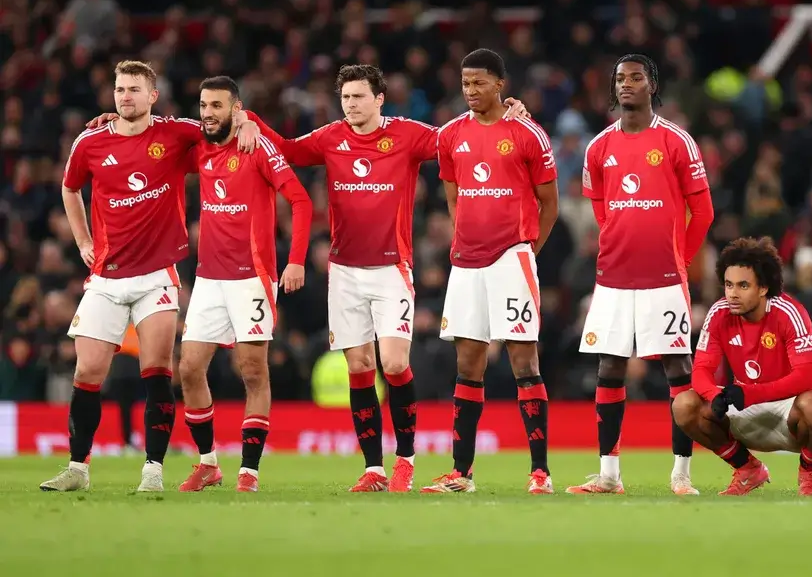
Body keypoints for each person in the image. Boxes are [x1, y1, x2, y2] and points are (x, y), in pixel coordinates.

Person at [253, 64, 527, 492]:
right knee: (359, 367)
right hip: (344, 270)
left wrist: (504, 115)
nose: (350, 105)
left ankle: (405, 460)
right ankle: (373, 469)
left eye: (359, 97)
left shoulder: (408, 135)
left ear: (379, 99)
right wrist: (249, 119)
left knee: (395, 363)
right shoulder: (330, 137)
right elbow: (287, 149)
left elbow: (458, 137)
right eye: (345, 98)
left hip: (391, 269)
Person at [40, 60, 258, 492]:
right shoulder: (90, 142)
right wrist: (83, 240)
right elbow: (70, 187)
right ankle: (78, 469)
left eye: (134, 89)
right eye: (120, 89)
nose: (126, 97)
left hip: (156, 275)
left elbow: (217, 126)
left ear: (152, 96)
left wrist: (246, 119)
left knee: (157, 369)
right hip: (106, 276)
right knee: (88, 371)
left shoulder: (174, 133)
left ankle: (153, 470)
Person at [566, 54, 714, 495]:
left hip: (664, 277)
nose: (626, 84)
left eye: (635, 77)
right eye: (619, 78)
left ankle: (681, 474)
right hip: (613, 277)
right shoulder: (598, 147)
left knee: (676, 365)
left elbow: (703, 212)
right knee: (610, 366)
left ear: (652, 84)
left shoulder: (676, 141)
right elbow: (601, 210)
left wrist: (680, 258)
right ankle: (609, 475)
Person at [422, 48, 559, 494]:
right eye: (465, 83)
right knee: (467, 363)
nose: (471, 90)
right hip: (466, 264)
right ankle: (461, 473)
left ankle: (540, 472)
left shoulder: (527, 133)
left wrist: (527, 251)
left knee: (523, 360)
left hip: (511, 259)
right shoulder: (450, 135)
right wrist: (465, 238)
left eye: (479, 82)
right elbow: (453, 197)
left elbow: (550, 204)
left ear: (500, 84)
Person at [175, 76, 313, 493]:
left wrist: (296, 261)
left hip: (252, 277)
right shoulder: (199, 146)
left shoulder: (257, 147)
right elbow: (155, 132)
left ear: (235, 109)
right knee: (189, 368)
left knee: (252, 371)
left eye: (217, 106)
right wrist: (113, 119)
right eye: (203, 106)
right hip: (208, 278)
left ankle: (249, 471)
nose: (207, 114)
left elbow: (301, 201)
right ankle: (208, 464)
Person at [672, 237, 812, 496]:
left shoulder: (789, 312)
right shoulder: (719, 312)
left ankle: (809, 473)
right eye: (728, 285)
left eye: (743, 285)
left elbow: (805, 378)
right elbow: (701, 370)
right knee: (684, 405)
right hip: (745, 405)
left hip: (789, 410)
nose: (732, 294)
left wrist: (750, 393)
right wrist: (714, 395)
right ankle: (747, 469)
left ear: (763, 288)